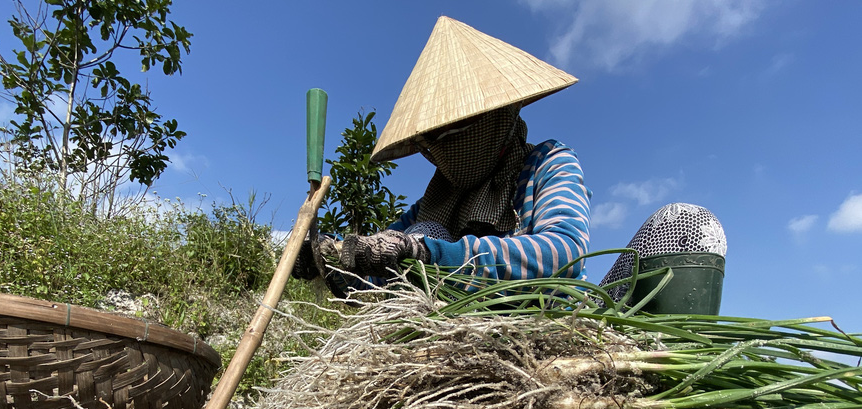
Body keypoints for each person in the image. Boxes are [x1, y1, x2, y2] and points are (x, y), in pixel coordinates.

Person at [294, 17, 726, 307]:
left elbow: (561, 254)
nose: (442, 151)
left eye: (455, 132)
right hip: (453, 348)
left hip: (552, 328)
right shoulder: (433, 203)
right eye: (433, 140)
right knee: (421, 232)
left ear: (497, 116)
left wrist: (433, 254)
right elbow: (384, 252)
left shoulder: (547, 164)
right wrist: (329, 256)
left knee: (686, 226)